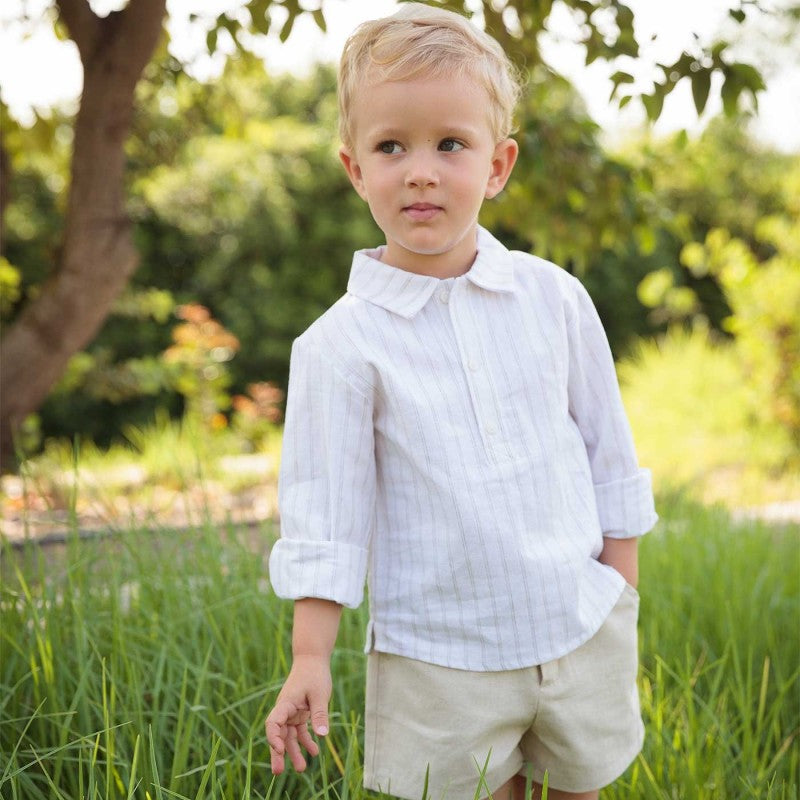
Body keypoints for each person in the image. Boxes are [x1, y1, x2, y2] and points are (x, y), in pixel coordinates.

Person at [264, 4, 658, 799]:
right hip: (438, 655)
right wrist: (310, 657)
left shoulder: (553, 297)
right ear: (355, 169)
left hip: (577, 622)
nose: (421, 171)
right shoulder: (340, 346)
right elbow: (325, 518)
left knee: (580, 789)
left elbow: (608, 453)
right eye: (391, 146)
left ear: (498, 164)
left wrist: (621, 590)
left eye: (450, 144)